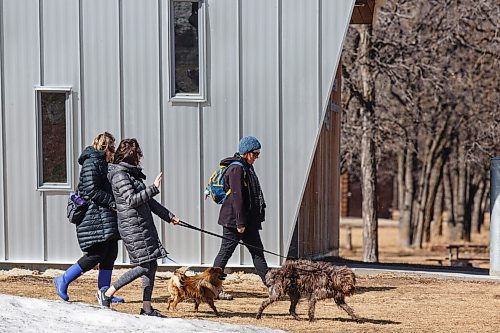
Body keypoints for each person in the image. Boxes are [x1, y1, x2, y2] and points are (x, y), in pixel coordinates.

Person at [97, 138, 180, 317]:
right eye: (138, 153)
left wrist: (169, 216)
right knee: (143, 266)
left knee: (152, 264)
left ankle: (147, 308)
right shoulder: (119, 175)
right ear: (131, 155)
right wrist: (154, 187)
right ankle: (107, 293)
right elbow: (132, 200)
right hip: (132, 227)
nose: (141, 157)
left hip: (141, 225)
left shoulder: (131, 173)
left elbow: (147, 201)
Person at [54, 132, 124, 303]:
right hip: (93, 217)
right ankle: (63, 279)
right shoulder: (91, 163)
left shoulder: (102, 163)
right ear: (106, 147)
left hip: (103, 216)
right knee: (96, 254)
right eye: (112, 148)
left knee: (110, 253)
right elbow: (92, 191)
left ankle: (104, 293)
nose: (113, 152)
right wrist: (113, 203)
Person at [213, 136, 269, 300]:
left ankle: (272, 287)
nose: (257, 157)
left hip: (247, 221)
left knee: (258, 253)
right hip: (234, 221)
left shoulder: (247, 167)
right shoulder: (237, 169)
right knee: (225, 253)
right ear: (247, 153)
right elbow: (237, 198)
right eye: (255, 154)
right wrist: (240, 223)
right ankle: (213, 288)